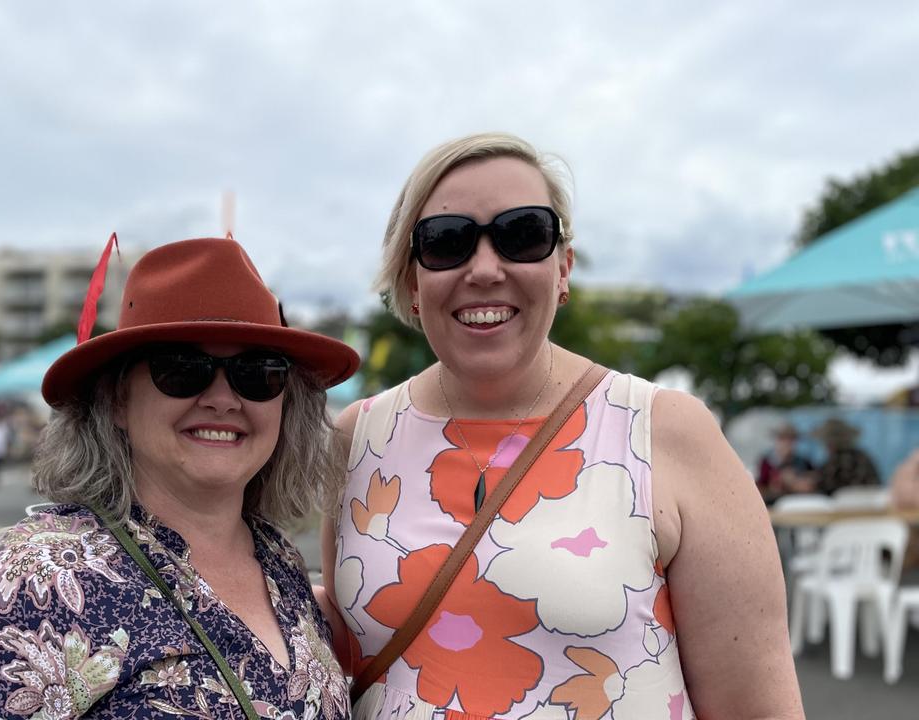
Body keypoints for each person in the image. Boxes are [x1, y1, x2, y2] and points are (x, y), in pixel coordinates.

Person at [321, 133, 803, 719]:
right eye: (446, 242)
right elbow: (350, 645)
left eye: (523, 234)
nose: (485, 268)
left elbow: (756, 706)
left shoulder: (665, 431)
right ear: (412, 282)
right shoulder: (361, 436)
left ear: (564, 267)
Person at [0, 238, 359, 720]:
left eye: (258, 372)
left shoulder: (278, 557)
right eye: (182, 369)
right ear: (118, 399)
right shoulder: (33, 581)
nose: (223, 398)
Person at [792, 417, 880, 496]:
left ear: (829, 443)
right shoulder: (862, 456)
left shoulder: (836, 460)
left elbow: (824, 485)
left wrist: (800, 483)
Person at [755, 422, 813, 504]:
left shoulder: (803, 461)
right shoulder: (767, 462)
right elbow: (760, 487)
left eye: (790, 440)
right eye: (783, 439)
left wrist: (799, 482)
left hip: (799, 502)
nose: (787, 443)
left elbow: (813, 478)